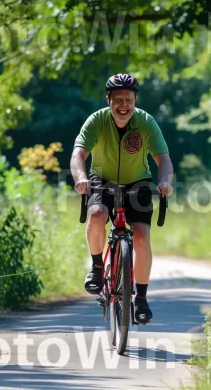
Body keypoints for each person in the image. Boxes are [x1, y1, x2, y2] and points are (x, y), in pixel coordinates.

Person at [70, 73, 174, 325]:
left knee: (140, 234)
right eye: (118, 100)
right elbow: (78, 155)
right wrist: (80, 178)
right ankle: (96, 269)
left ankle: (140, 299)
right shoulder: (97, 120)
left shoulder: (146, 122)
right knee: (97, 214)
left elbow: (164, 160)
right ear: (108, 100)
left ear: (135, 100)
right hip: (101, 180)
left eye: (129, 99)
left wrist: (165, 182)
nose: (124, 105)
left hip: (137, 182)